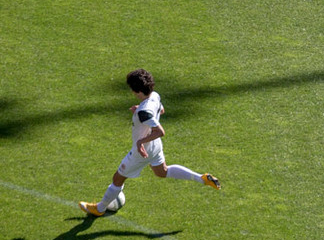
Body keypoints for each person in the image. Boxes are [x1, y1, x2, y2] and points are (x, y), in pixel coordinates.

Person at [79, 69, 220, 217]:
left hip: (142, 152)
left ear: (138, 91)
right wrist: (139, 108)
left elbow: (160, 131)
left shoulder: (144, 112)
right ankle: (202, 178)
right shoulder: (155, 95)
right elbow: (161, 110)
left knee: (118, 178)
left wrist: (140, 141)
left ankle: (99, 209)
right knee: (162, 172)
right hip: (155, 146)